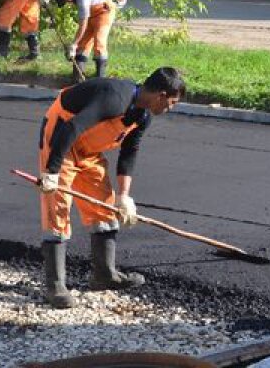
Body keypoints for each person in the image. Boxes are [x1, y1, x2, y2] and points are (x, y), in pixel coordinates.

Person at [37, 67, 186, 308]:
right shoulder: (114, 98)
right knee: (58, 209)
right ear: (160, 94)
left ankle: (104, 275)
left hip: (89, 153)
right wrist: (51, 172)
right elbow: (72, 127)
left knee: (105, 207)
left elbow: (129, 153)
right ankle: (55, 286)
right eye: (171, 102)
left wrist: (125, 197)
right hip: (60, 141)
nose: (170, 108)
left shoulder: (143, 116)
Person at [49, 0, 117, 80]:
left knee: (99, 42)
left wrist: (73, 45)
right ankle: (78, 80)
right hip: (91, 12)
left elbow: (83, 25)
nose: (68, 2)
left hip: (104, 11)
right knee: (82, 45)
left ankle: (100, 79)